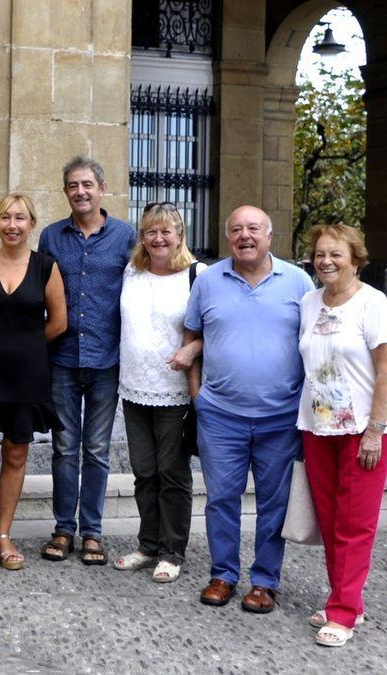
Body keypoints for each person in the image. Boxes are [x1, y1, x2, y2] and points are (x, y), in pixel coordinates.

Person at [185, 205, 314, 613]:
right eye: (237, 229)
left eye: (253, 228)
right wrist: (198, 397)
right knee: (221, 498)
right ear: (228, 238)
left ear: (269, 235)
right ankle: (222, 575)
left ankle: (264, 582)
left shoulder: (298, 282)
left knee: (274, 503)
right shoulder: (208, 282)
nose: (246, 236)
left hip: (281, 418)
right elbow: (191, 335)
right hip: (220, 416)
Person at [0, 193, 66, 581]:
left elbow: (58, 322)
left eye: (20, 218)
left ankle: (3, 535)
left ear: (32, 224)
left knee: (17, 454)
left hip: (27, 372)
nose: (12, 224)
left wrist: (26, 344)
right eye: (5, 217)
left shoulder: (45, 267)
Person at [37, 156, 135, 565]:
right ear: (65, 192)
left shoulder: (125, 236)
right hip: (61, 356)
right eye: (73, 185)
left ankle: (92, 531)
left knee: (96, 449)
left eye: (87, 185)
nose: (80, 192)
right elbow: (40, 290)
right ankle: (63, 529)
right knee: (63, 447)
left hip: (105, 358)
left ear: (102, 188)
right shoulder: (51, 237)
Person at [295, 224, 387, 647]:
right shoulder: (309, 303)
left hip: (360, 431)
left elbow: (385, 370)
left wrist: (376, 430)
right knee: (331, 521)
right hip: (317, 427)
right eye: (319, 254)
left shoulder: (373, 303)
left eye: (335, 254)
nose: (326, 261)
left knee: (356, 523)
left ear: (355, 258)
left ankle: (344, 613)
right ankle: (345, 599)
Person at [112, 203, 203, 583]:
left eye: (167, 231)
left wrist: (192, 349)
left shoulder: (198, 275)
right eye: (151, 231)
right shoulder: (133, 271)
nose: (159, 238)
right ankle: (148, 544)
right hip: (134, 388)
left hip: (175, 392)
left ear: (180, 235)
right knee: (144, 472)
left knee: (172, 473)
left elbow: (213, 328)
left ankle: (172, 551)